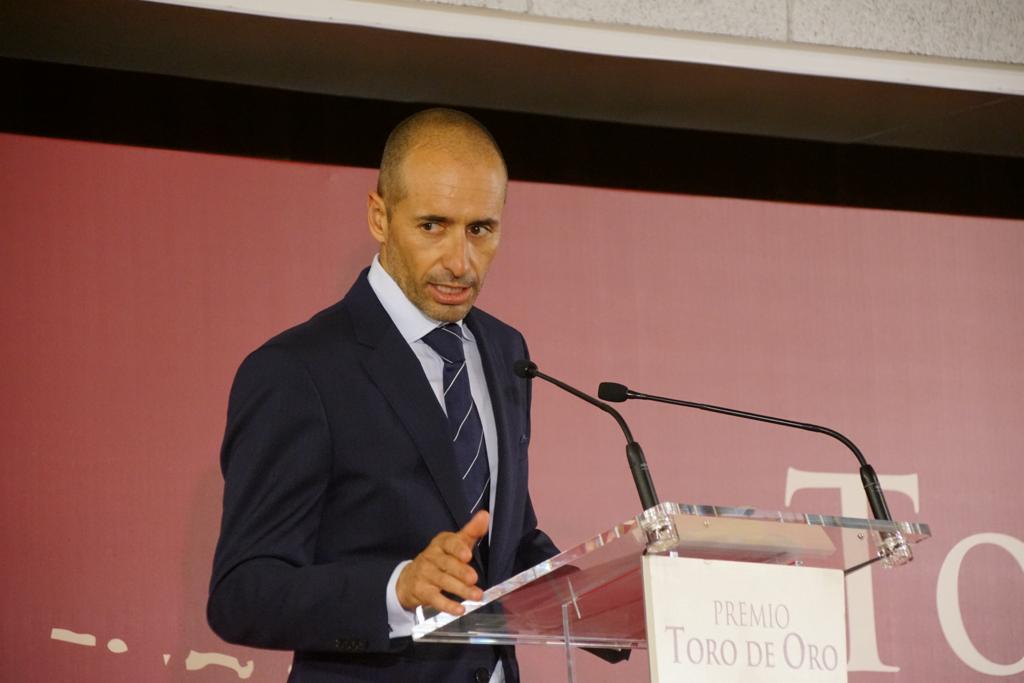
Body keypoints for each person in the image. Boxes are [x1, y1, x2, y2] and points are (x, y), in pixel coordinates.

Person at [207, 108, 560, 683]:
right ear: (379, 216)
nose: (459, 261)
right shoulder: (297, 371)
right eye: (432, 226)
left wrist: (607, 587)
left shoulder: (504, 350)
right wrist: (398, 588)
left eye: (480, 229)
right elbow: (243, 593)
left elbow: (505, 537)